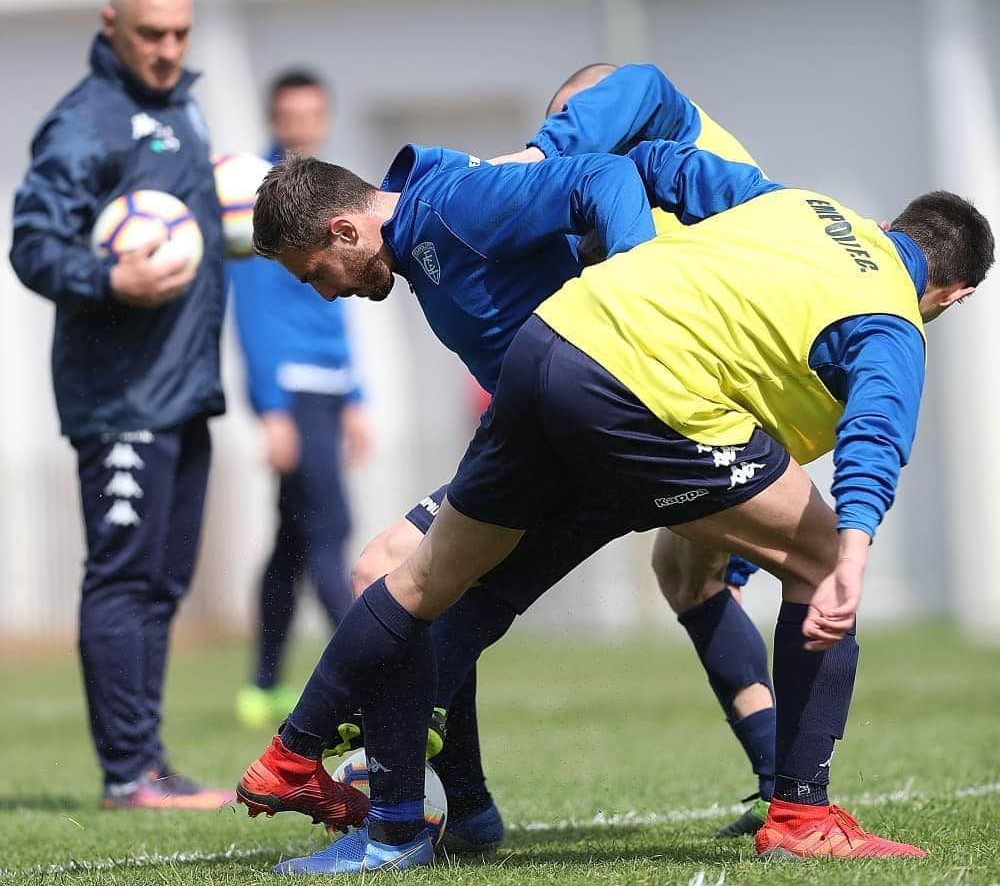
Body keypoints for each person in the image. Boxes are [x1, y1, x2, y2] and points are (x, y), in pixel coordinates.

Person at [238, 139, 992, 871]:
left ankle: (307, 761)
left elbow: (660, 161)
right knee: (819, 558)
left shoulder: (806, 208)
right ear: (953, 295)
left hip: (552, 344)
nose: (325, 288)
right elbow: (876, 430)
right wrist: (854, 550)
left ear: (889, 227)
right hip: (634, 391)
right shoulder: (890, 313)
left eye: (315, 274)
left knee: (411, 579)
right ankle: (800, 814)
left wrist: (579, 192)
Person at [347, 63, 776, 845]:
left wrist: (545, 152)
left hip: (693, 393)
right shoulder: (639, 186)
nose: (570, 135)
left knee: (438, 579)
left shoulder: (662, 129)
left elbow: (634, 83)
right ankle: (783, 787)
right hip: (675, 393)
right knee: (686, 575)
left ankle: (406, 764)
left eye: (574, 117)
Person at [8, 0, 233, 810]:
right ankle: (127, 773)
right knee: (124, 575)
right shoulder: (84, 123)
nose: (169, 50)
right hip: (122, 398)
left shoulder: (179, 104)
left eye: (180, 34)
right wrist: (110, 282)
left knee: (164, 581)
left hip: (184, 386)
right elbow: (33, 244)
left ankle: (148, 764)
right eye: (152, 34)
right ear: (111, 24)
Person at [231, 70, 371, 729]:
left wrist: (357, 394)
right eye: (289, 115)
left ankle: (262, 684)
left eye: (312, 115)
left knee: (292, 541)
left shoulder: (325, 193)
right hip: (290, 390)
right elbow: (253, 312)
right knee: (328, 531)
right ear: (272, 117)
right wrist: (272, 409)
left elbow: (339, 300)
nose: (300, 127)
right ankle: (371, 672)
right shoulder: (257, 201)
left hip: (327, 388)